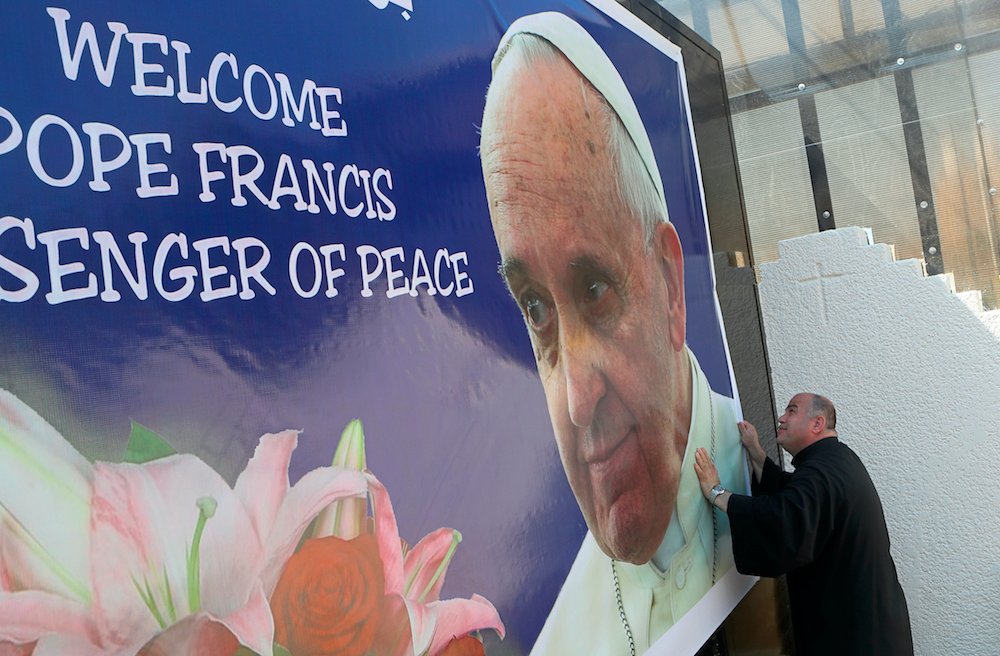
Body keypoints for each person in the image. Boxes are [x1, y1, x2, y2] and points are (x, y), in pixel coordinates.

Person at [478, 12, 746, 655]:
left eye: (595, 291)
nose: (574, 400)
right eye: (536, 309)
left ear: (671, 289)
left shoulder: (764, 485)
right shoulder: (562, 641)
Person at [694, 393, 914, 655]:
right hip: (872, 628)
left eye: (791, 410)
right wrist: (756, 453)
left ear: (817, 424)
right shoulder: (837, 460)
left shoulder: (822, 473)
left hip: (855, 639)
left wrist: (717, 494)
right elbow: (796, 497)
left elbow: (784, 517)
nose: (781, 418)